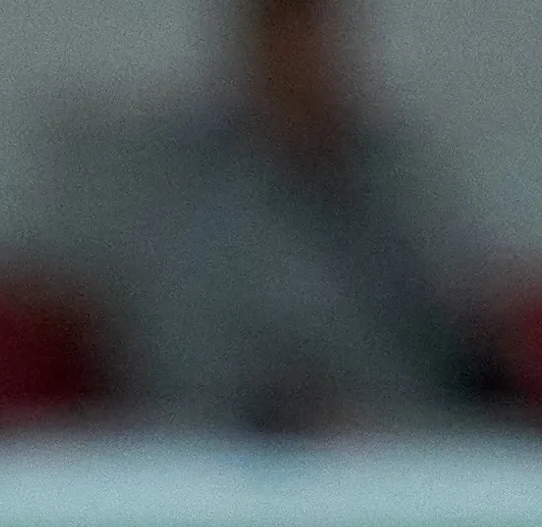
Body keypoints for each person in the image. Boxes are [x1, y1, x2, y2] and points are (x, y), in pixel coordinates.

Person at [99, 0, 498, 434]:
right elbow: (170, 335)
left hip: (383, 431)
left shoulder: (395, 178)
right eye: (280, 46)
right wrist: (266, 400)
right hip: (217, 435)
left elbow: (445, 326)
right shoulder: (184, 184)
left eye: (313, 44)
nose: (298, 65)